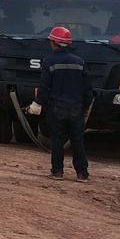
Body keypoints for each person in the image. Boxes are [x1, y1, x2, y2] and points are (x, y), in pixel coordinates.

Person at [32, 25, 92, 181]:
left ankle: (57, 172)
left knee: (57, 140)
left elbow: (44, 87)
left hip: (56, 108)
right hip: (76, 108)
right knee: (77, 140)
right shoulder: (80, 62)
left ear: (54, 42)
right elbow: (87, 89)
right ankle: (82, 174)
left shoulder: (49, 61)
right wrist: (85, 107)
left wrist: (38, 104)